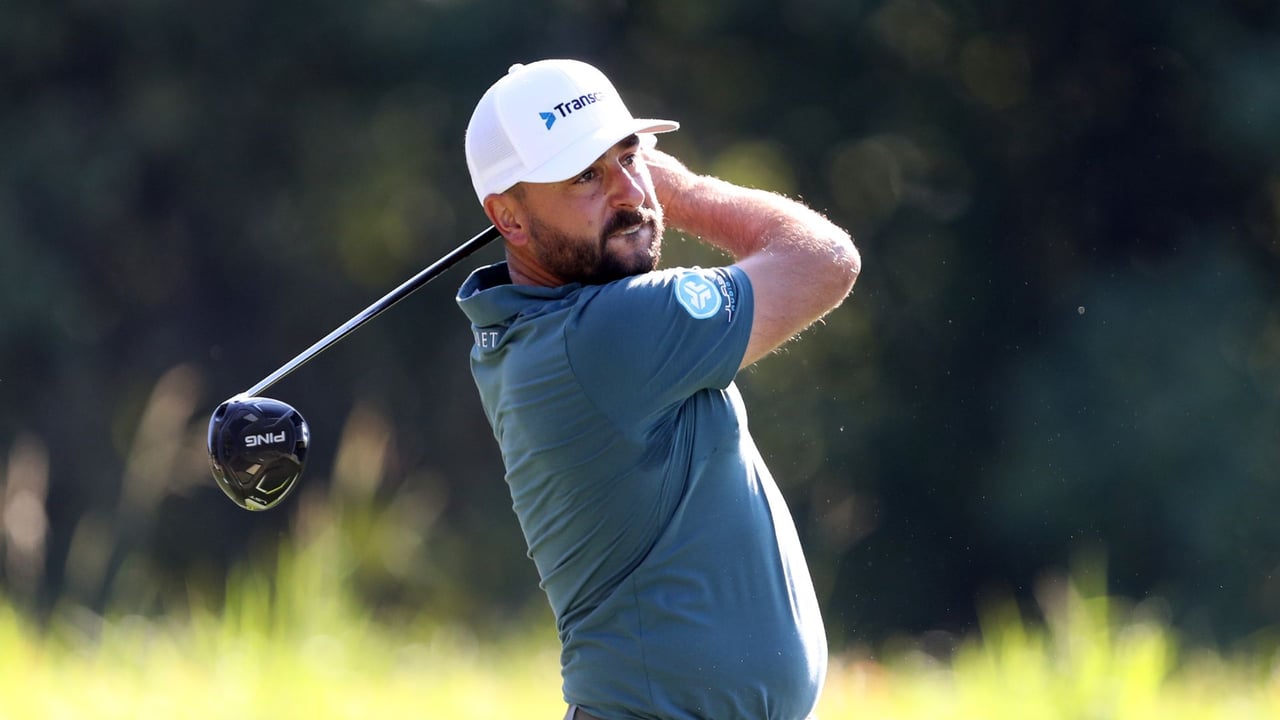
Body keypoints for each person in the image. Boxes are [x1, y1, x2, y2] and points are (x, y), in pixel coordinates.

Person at [456, 59, 860, 720]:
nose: (631, 194)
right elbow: (825, 260)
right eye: (586, 174)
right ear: (511, 220)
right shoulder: (609, 333)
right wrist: (690, 191)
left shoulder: (530, 326)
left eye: (630, 156)